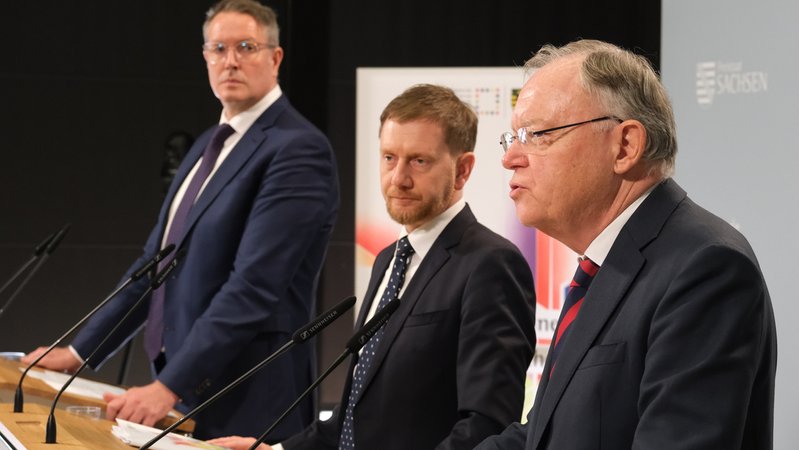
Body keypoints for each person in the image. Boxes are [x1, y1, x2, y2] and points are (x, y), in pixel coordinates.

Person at [21, 0, 339, 441]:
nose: (231, 61)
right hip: (184, 388)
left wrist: (169, 386)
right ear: (206, 57)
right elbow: (154, 266)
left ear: (275, 57)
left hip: (249, 394)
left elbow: (254, 286)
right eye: (218, 48)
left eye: (246, 47)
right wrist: (79, 351)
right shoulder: (209, 143)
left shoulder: (297, 150)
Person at [476, 39, 776, 449]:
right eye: (513, 138)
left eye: (537, 134)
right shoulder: (603, 267)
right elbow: (542, 435)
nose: (510, 157)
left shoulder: (705, 267)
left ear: (625, 146)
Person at [208, 84, 537, 450]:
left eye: (419, 161)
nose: (398, 178)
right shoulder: (388, 260)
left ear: (463, 170)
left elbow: (485, 426)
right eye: (389, 158)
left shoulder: (490, 264)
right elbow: (353, 420)